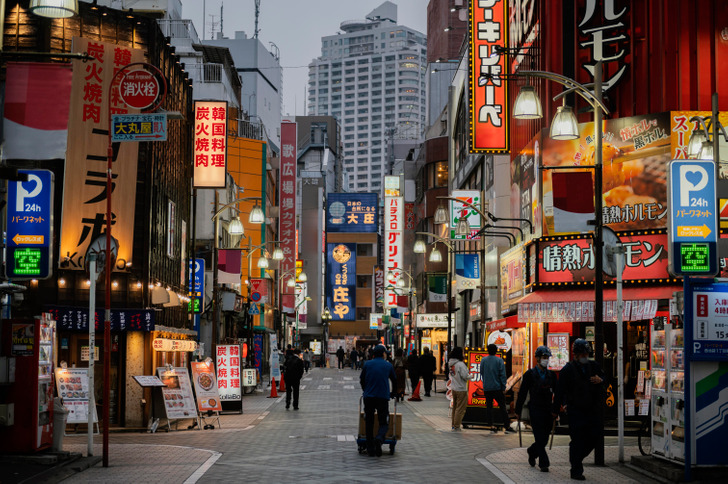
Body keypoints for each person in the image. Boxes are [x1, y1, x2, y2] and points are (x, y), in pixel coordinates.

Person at [552, 338, 605, 481]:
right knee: (577, 440)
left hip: (592, 409)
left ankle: (577, 458)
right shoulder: (567, 370)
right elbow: (560, 391)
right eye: (582, 354)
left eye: (586, 354)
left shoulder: (594, 366)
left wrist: (601, 380)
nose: (584, 356)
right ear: (575, 354)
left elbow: (605, 378)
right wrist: (555, 409)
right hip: (575, 410)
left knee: (594, 437)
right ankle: (576, 469)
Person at [515, 346, 558, 472]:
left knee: (544, 438)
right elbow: (522, 393)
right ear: (538, 359)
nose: (546, 360)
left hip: (548, 410)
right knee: (539, 436)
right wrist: (518, 411)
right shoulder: (530, 374)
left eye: (547, 358)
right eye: (544, 357)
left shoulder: (552, 375)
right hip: (535, 408)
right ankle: (544, 463)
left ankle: (532, 451)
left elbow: (558, 392)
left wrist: (558, 407)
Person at [360, 344, 397, 457]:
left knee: (369, 422)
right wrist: (393, 393)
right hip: (382, 397)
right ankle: (380, 439)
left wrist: (366, 390)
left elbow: (362, 380)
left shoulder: (367, 364)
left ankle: (370, 448)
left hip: (369, 397)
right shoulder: (388, 365)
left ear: (373, 354)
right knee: (383, 421)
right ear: (383, 354)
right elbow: (394, 381)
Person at [480, 344, 514, 434]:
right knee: (502, 407)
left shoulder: (483, 360)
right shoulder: (499, 360)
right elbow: (502, 375)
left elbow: (481, 372)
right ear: (496, 351)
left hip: (487, 388)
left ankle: (492, 425)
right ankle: (507, 426)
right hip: (497, 388)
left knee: (489, 407)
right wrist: (503, 387)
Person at [448, 347, 471, 431]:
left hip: (454, 388)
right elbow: (465, 376)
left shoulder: (451, 363)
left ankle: (453, 424)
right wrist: (471, 376)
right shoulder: (460, 364)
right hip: (461, 388)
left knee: (455, 407)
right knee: (460, 408)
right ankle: (457, 425)